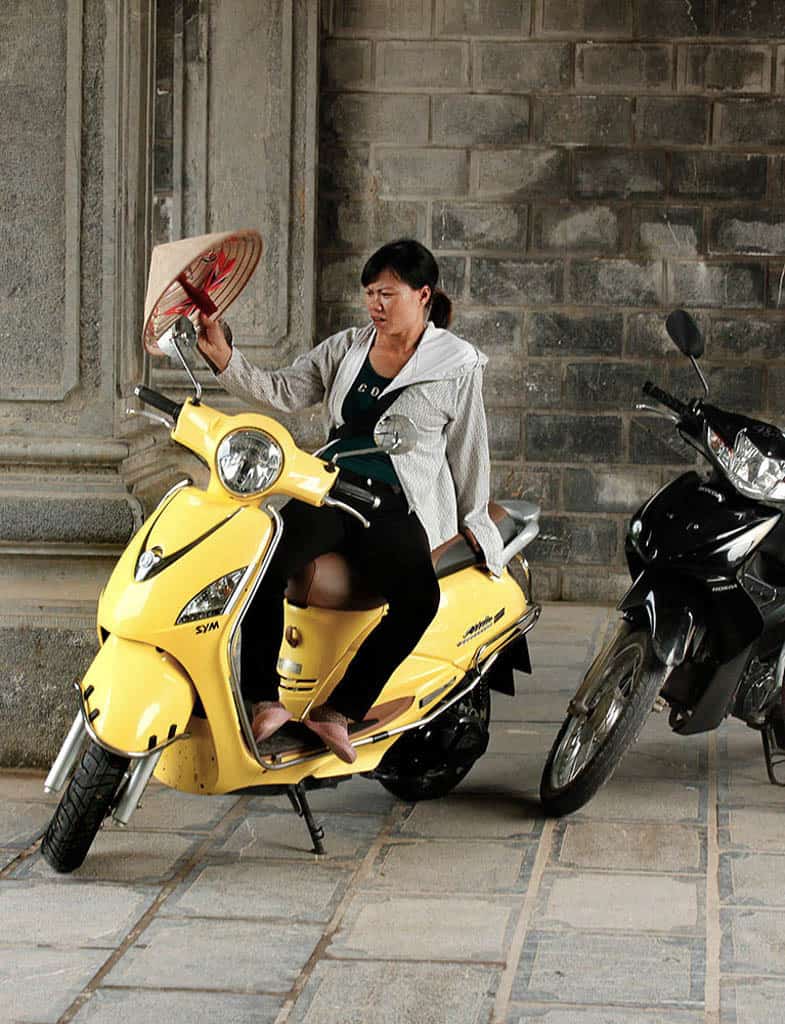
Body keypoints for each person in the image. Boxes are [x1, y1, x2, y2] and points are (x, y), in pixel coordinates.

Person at [197, 238, 502, 763]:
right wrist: (226, 358)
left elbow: (469, 449)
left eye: (387, 293)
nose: (375, 305)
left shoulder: (457, 363)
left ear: (422, 294)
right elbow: (283, 390)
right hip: (330, 489)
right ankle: (263, 701)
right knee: (262, 562)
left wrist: (478, 523)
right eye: (369, 294)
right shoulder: (348, 348)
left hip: (395, 505)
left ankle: (337, 712)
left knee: (419, 600)